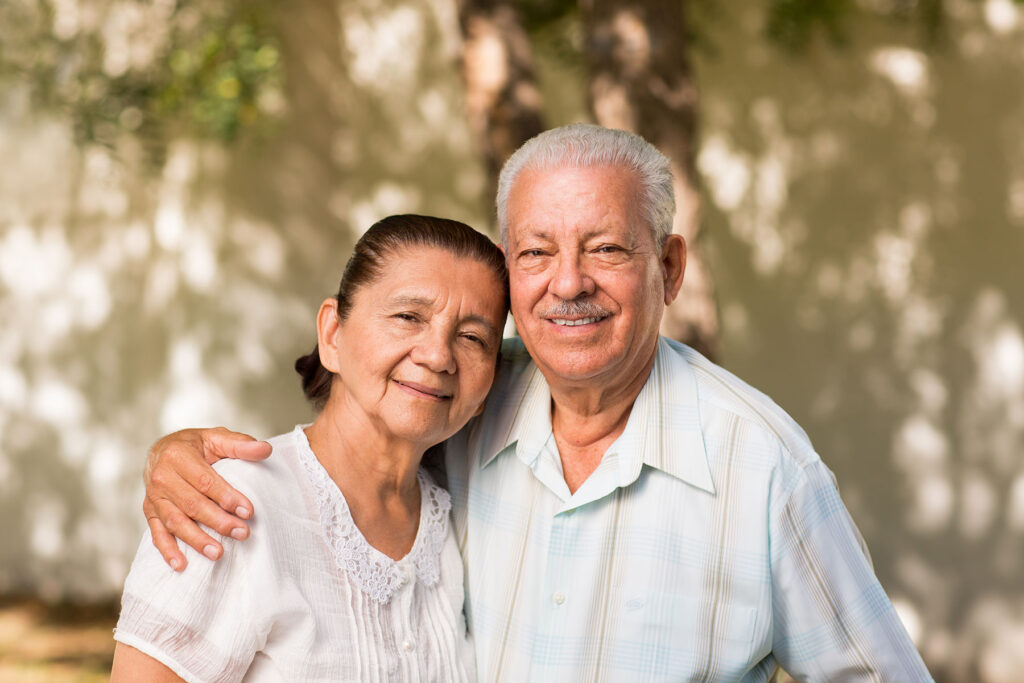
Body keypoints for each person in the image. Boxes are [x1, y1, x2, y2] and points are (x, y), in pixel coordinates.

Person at [141, 124, 933, 681]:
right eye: (536, 252)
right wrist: (176, 451)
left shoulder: (766, 469)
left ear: (671, 268)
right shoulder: (467, 399)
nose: (568, 284)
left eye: (607, 248)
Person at [112, 215, 510, 681]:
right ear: (332, 334)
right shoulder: (229, 506)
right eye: (408, 317)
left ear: (490, 384)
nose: (439, 355)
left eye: (472, 337)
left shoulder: (455, 519)